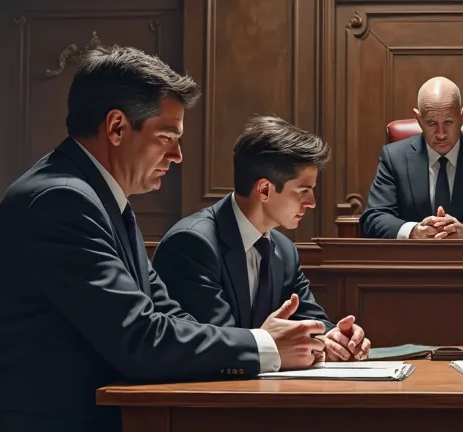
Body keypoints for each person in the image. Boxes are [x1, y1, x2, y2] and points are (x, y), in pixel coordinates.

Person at [0, 46, 325, 432]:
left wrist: (263, 342)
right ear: (116, 127)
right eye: (167, 136)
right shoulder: (61, 201)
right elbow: (140, 340)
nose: (177, 155)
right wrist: (264, 345)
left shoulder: (99, 199)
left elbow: (169, 315)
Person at [153, 115, 371, 361]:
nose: (311, 203)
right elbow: (219, 344)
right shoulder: (192, 245)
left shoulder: (285, 250)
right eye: (303, 191)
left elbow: (311, 320)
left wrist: (336, 339)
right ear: (265, 190)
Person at [359, 76, 463, 239]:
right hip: (413, 260)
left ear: (462, 117)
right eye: (431, 123)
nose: (441, 134)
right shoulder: (393, 158)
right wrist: (414, 232)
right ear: (418, 120)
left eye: (448, 121)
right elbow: (373, 219)